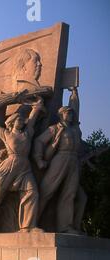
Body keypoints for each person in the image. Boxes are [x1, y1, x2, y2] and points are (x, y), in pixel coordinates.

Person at [0, 99, 45, 235]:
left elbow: (32, 118)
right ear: (12, 123)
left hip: (24, 167)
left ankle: (27, 227)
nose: (22, 122)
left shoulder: (27, 133)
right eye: (18, 120)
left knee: (32, 192)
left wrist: (37, 107)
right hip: (10, 165)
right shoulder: (6, 134)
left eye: (22, 120)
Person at [34, 87, 86, 234]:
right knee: (46, 191)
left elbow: (76, 108)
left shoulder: (75, 128)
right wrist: (39, 159)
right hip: (60, 159)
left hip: (73, 161)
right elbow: (39, 141)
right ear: (61, 115)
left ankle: (66, 227)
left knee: (69, 194)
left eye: (71, 113)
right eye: (67, 113)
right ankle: (32, 222)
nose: (70, 115)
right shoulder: (55, 128)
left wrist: (74, 94)